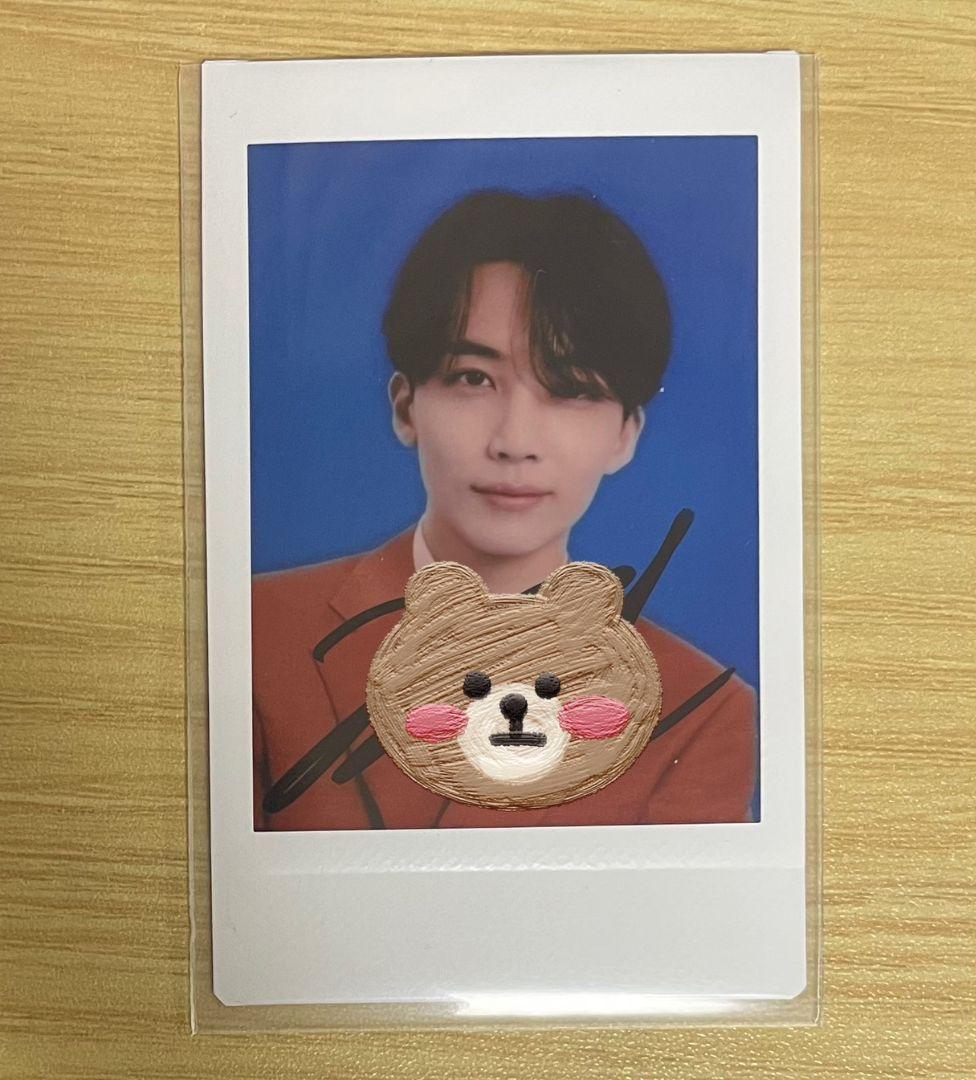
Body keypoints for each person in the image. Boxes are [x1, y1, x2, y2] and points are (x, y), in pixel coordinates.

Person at [252, 190, 756, 830]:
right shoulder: (257, 632)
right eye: (473, 378)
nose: (514, 442)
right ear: (406, 407)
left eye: (570, 389)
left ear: (625, 435)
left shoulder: (701, 711)